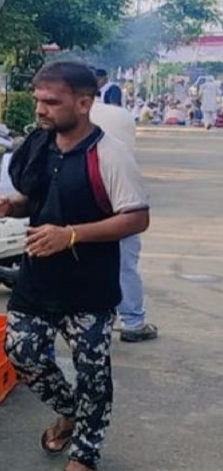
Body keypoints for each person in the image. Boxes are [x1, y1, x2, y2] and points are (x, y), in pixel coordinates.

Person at [0, 61, 149, 471]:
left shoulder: (108, 154)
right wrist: (10, 208)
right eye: (39, 99)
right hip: (36, 279)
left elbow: (136, 218)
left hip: (88, 289)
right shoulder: (41, 146)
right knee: (22, 354)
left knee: (93, 373)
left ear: (83, 103)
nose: (41, 109)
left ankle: (84, 458)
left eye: (51, 102)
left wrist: (72, 235)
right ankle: (72, 411)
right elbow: (33, 200)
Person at [90, 100, 158, 343]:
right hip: (120, 199)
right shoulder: (121, 116)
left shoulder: (66, 116)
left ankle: (91, 322)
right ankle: (133, 322)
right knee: (125, 265)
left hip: (86, 199)